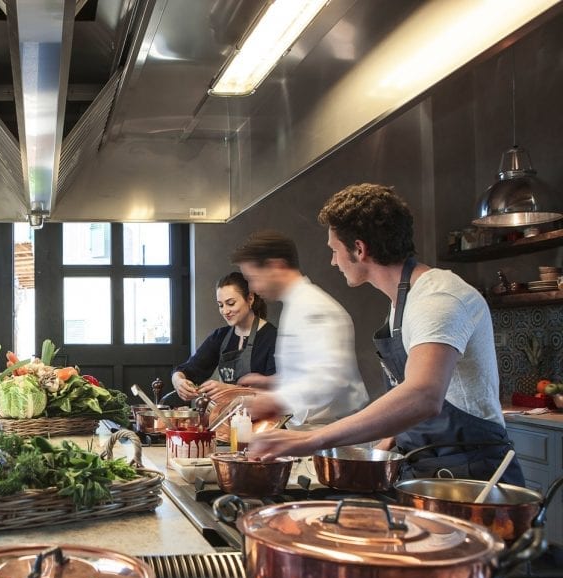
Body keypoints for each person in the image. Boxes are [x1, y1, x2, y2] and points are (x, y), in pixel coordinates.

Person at [249, 183, 523, 485]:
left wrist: (311, 440)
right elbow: (410, 400)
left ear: (359, 249)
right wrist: (382, 447)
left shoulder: (438, 296)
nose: (332, 261)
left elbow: (423, 395)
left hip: (474, 479)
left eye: (334, 250)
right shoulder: (400, 305)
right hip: (427, 470)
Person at [232, 230, 368, 426]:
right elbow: (308, 373)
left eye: (253, 277)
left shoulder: (313, 306)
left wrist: (274, 400)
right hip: (311, 430)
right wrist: (271, 382)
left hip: (331, 432)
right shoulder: (295, 305)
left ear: (275, 266)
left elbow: (329, 378)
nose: (252, 287)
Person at [171, 271, 277, 404]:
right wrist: (178, 380)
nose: (225, 311)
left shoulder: (272, 338)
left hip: (265, 422)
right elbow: (188, 369)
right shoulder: (220, 336)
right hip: (228, 419)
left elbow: (277, 391)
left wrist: (230, 390)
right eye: (221, 305)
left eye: (231, 303)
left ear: (250, 298)